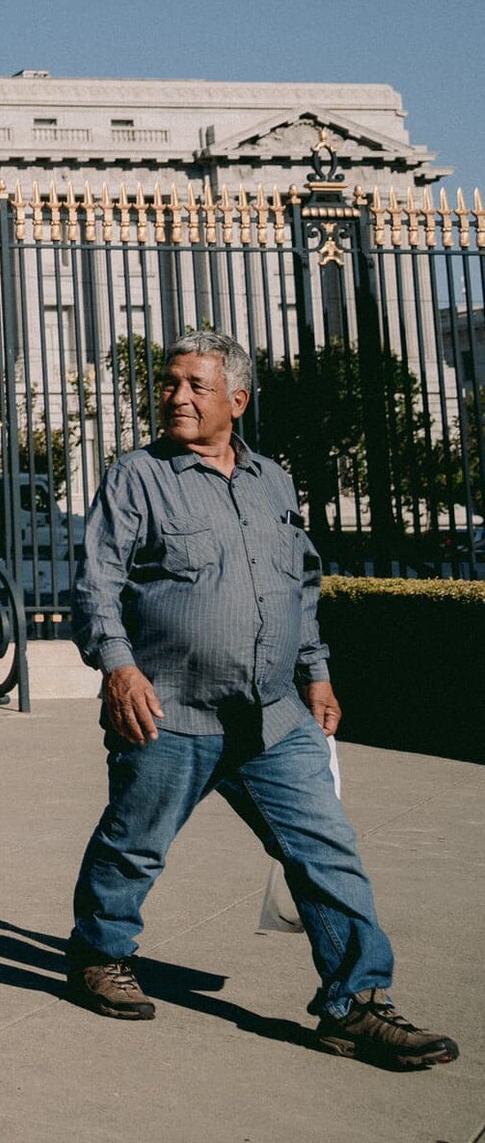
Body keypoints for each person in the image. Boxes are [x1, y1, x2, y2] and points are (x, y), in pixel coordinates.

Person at [68, 327, 458, 1070]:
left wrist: (316, 669)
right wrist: (118, 667)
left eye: (195, 385)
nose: (176, 395)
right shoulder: (135, 477)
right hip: (169, 708)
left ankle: (357, 1002)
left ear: (237, 400)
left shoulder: (273, 481)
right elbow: (98, 583)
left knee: (326, 850)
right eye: (169, 382)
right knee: (133, 844)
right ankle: (99, 952)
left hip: (273, 715)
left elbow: (298, 584)